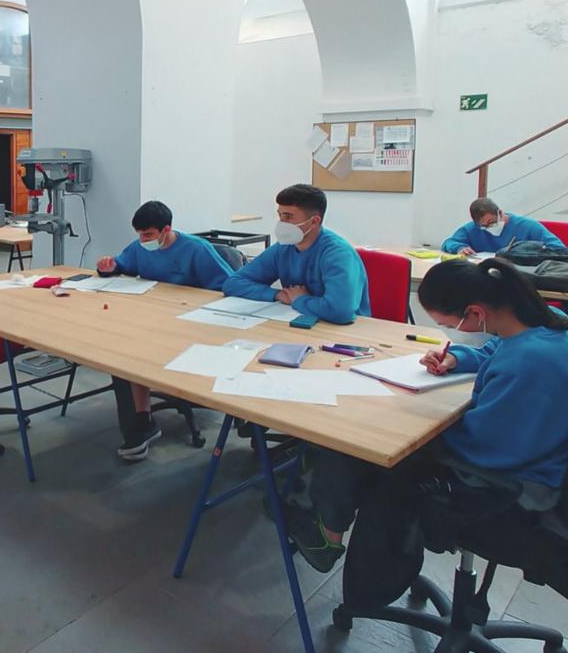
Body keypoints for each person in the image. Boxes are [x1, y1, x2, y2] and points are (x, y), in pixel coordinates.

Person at [281, 258, 568, 573]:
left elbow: (488, 448)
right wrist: (457, 359)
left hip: (508, 485)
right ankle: (322, 506)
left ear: (475, 312)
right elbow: (495, 350)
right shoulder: (543, 321)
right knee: (369, 436)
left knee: (359, 441)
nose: (448, 331)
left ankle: (327, 535)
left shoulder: (530, 364)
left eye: (448, 326)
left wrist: (415, 429)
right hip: (518, 455)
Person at [95, 201, 235, 461]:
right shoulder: (140, 247)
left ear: (166, 229)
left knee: (132, 352)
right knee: (120, 353)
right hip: (152, 320)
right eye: (139, 234)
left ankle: (139, 426)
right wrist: (108, 267)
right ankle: (141, 422)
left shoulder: (196, 249)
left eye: (148, 234)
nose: (142, 240)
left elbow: (227, 287)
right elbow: (123, 264)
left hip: (191, 325)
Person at [223, 183, 370, 324]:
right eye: (279, 215)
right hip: (300, 322)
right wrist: (278, 294)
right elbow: (233, 283)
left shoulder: (338, 254)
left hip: (345, 333)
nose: (281, 223)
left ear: (314, 221)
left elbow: (340, 312)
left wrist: (299, 300)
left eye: (288, 217)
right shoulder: (283, 248)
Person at [442, 197, 564, 255]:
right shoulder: (474, 228)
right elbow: (448, 243)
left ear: (500, 213)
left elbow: (560, 250)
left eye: (491, 222)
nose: (488, 228)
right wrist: (459, 248)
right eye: (483, 226)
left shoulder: (528, 226)